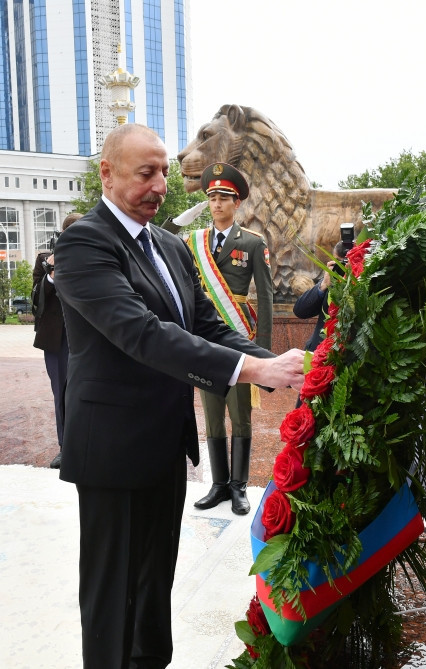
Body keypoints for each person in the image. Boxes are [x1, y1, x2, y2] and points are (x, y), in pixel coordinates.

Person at [53, 123, 304, 669]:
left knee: (152, 591)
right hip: (113, 453)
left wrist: (272, 368)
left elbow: (208, 325)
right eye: (146, 172)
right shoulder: (84, 243)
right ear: (107, 172)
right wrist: (253, 366)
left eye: (164, 172)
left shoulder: (168, 244)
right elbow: (142, 333)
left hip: (165, 446)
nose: (160, 184)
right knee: (112, 597)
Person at [188, 163, 273, 516]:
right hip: (206, 342)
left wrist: (264, 353)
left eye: (224, 197)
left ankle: (239, 487)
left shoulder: (252, 243)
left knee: (240, 416)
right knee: (211, 415)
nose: (217, 203)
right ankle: (218, 484)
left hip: (239, 338)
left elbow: (266, 298)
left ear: (236, 203)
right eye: (212, 197)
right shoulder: (193, 242)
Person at [32, 211, 83, 468]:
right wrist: (52, 269)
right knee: (61, 393)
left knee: (89, 389)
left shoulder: (92, 255)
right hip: (58, 338)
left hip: (88, 336)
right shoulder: (44, 259)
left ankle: (89, 443)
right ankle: (66, 447)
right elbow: (37, 298)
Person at [293, 241, 348, 353]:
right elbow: (300, 311)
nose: (342, 267)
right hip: (320, 352)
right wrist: (323, 285)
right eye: (337, 263)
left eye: (345, 263)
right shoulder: (329, 281)